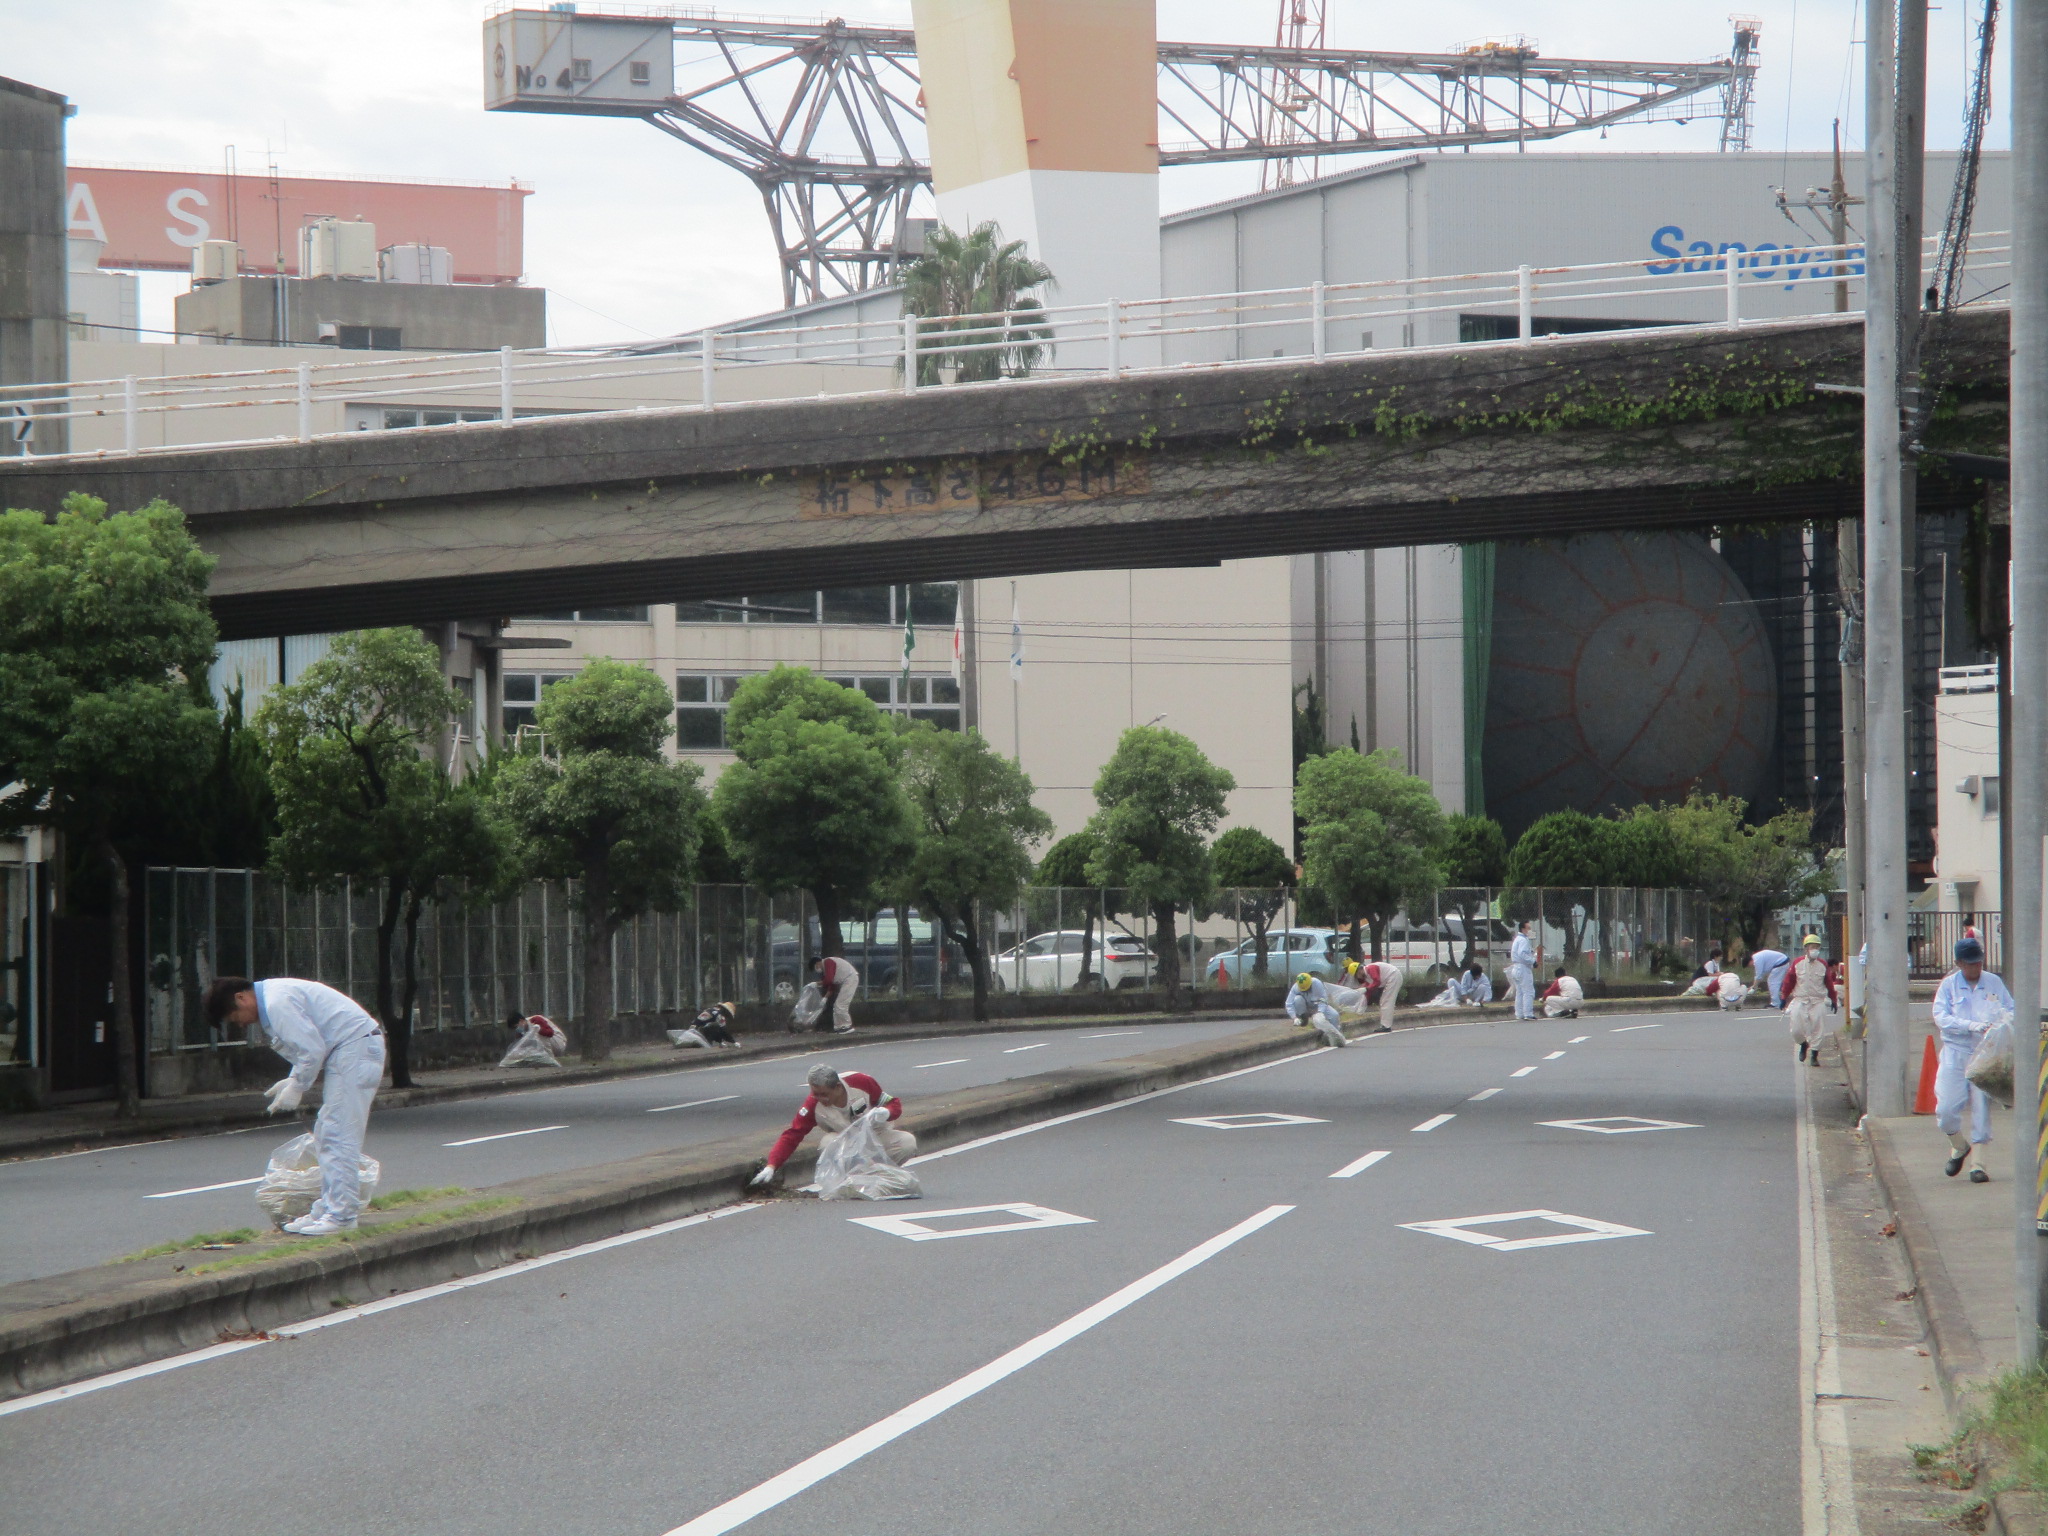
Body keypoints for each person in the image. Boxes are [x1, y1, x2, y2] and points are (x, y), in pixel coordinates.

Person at [202, 976, 385, 1236]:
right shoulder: (277, 996)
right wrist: (293, 1080)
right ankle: (328, 1209)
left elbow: (311, 1049)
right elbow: (309, 1046)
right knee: (327, 1135)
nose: (241, 1024)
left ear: (241, 998)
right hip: (352, 1049)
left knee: (338, 1135)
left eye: (235, 1016)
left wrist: (298, 1084)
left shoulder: (277, 1003)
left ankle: (341, 1216)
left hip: (355, 1049)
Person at [1932, 934, 2014, 1183]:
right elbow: (1940, 1016)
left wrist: (2001, 1026)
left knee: (1981, 1109)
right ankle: (1958, 1145)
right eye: (1969, 964)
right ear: (1959, 963)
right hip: (1955, 1052)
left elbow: (2011, 1010)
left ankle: (1978, 1164)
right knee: (1946, 1108)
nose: (1975, 968)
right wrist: (1970, 1025)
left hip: (1985, 1054)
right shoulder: (1948, 986)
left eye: (1978, 962)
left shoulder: (1994, 982)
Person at [749, 1064, 913, 1186]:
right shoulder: (812, 1105)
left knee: (907, 1142)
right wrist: (772, 1166)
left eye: (825, 1094)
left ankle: (880, 1175)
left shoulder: (861, 1082)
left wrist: (886, 1113)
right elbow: (793, 1134)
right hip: (846, 1144)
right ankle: (853, 1180)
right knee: (828, 1142)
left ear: (838, 1087)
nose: (821, 1099)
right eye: (816, 1094)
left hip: (876, 1136)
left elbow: (894, 1104)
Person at [1783, 935, 1838, 1064]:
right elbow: (1789, 981)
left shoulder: (1823, 964)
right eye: (1812, 947)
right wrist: (1784, 997)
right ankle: (1803, 1043)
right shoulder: (1798, 963)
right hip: (1800, 999)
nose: (1815, 950)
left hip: (1817, 1000)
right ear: (1806, 948)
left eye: (1817, 947)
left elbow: (1829, 983)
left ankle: (1814, 1054)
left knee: (1818, 1029)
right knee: (1796, 1029)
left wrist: (1833, 999)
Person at [1285, 972, 1348, 1048]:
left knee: (1334, 1015)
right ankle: (1303, 1019)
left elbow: (1323, 999)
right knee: (1297, 999)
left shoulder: (1317, 983)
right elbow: (1289, 1003)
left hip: (1318, 1006)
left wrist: (1320, 1012)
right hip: (1305, 1007)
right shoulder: (1295, 988)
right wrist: (1294, 1017)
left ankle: (1336, 1036)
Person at [810, 955, 859, 1034]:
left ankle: (846, 1026)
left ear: (818, 963)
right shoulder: (827, 966)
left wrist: (817, 984)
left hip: (850, 979)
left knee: (840, 1004)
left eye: (816, 967)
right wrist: (825, 998)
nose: (817, 969)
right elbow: (832, 985)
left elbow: (829, 980)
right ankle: (839, 1027)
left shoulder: (828, 962)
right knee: (837, 1005)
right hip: (848, 979)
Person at [1507, 921, 1541, 1020]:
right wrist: (1533, 961)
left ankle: (1519, 1013)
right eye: (1528, 928)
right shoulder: (1523, 940)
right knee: (1528, 991)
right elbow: (1523, 954)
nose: (1530, 930)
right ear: (1523, 929)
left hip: (1516, 968)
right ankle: (1528, 1013)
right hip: (1523, 968)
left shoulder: (1517, 939)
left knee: (1520, 992)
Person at [1748, 946, 1790, 1010]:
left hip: (1780, 963)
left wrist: (1754, 987)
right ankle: (1777, 1001)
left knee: (1773, 982)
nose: (1751, 966)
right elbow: (1761, 975)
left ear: (1750, 961)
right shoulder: (1757, 957)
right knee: (1774, 982)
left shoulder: (1757, 960)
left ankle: (1775, 1003)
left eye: (1749, 965)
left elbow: (1759, 975)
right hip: (1782, 962)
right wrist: (1754, 986)